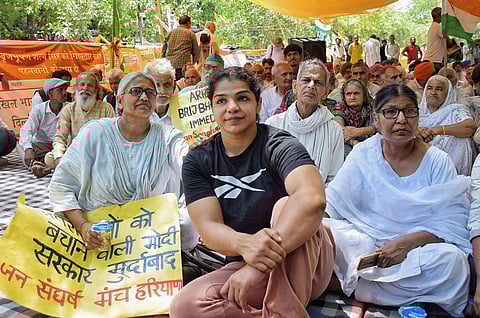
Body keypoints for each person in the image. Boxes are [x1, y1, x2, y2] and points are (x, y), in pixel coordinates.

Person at [169, 66, 335, 317]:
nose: (232, 107)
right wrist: (246, 246)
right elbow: (209, 229)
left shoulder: (280, 144)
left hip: (304, 260)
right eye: (221, 101)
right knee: (184, 307)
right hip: (242, 261)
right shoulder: (198, 160)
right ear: (212, 108)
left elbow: (312, 200)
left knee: (286, 206)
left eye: (243, 98)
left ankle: (284, 311)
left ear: (258, 104)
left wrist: (257, 267)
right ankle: (274, 308)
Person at [325, 84, 472, 317]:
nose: (401, 119)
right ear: (376, 118)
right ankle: (372, 288)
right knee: (326, 232)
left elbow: (452, 221)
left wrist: (408, 243)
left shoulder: (438, 161)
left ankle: (347, 286)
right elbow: (333, 204)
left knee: (452, 263)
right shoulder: (363, 154)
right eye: (391, 112)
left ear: (417, 116)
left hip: (416, 250)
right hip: (367, 244)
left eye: (409, 112)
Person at [48, 72, 199, 276]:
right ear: (119, 99)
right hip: (100, 230)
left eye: (149, 93)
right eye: (136, 91)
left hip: (149, 228)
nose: (144, 97)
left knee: (188, 224)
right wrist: (83, 227)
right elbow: (62, 185)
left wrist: (198, 155)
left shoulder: (166, 134)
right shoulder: (95, 133)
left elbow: (185, 160)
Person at [266, 59, 344, 183]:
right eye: (306, 80)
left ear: (325, 92)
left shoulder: (334, 130)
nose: (311, 85)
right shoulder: (272, 125)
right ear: (295, 86)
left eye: (318, 82)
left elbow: (334, 178)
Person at [37, 72, 115, 177]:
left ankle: (74, 171)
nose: (85, 88)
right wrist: (60, 158)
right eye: (82, 84)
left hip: (99, 155)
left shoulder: (106, 108)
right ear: (76, 88)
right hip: (75, 154)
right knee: (50, 158)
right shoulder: (68, 109)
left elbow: (111, 138)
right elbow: (60, 138)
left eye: (90, 85)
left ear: (96, 90)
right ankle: (78, 170)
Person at [418, 75, 477, 175]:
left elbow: (470, 127)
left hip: (450, 163)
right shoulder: (416, 111)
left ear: (448, 93)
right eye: (429, 88)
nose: (433, 92)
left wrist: (438, 130)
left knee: (460, 140)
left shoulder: (456, 109)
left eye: (439, 89)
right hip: (419, 160)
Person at [18, 78, 69, 174]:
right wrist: (29, 149)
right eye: (59, 90)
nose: (64, 93)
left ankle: (43, 166)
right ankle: (37, 166)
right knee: (21, 146)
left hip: (62, 146)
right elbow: (26, 129)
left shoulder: (70, 108)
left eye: (65, 90)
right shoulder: (39, 110)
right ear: (50, 94)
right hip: (42, 146)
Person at [332, 79, 375, 157]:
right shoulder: (340, 108)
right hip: (349, 145)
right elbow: (338, 129)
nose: (352, 97)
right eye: (348, 94)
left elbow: (380, 127)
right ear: (344, 97)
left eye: (356, 93)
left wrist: (358, 131)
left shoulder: (372, 108)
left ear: (364, 95)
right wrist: (354, 142)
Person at [162, 15, 200, 80]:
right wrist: (193, 64)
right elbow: (196, 51)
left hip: (169, 64)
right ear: (188, 23)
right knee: (182, 85)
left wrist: (164, 62)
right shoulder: (190, 34)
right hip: (183, 65)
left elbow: (164, 50)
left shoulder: (170, 33)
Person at [144, 58, 177, 126]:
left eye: (167, 84)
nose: (162, 90)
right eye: (157, 85)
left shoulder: (183, 112)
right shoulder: (139, 113)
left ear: (174, 86)